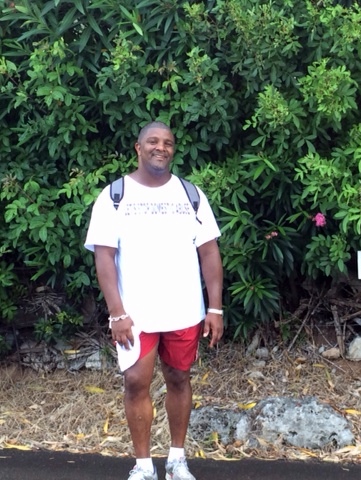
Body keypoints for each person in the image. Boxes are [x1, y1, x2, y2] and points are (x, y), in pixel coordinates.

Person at [84, 121, 224, 480]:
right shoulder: (114, 196)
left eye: (168, 143)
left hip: (184, 311)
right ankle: (144, 466)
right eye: (153, 141)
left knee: (179, 378)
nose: (161, 148)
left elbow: (209, 252)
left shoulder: (190, 194)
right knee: (135, 382)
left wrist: (215, 307)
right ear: (138, 147)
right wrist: (117, 313)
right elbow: (104, 257)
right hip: (135, 314)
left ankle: (177, 461)